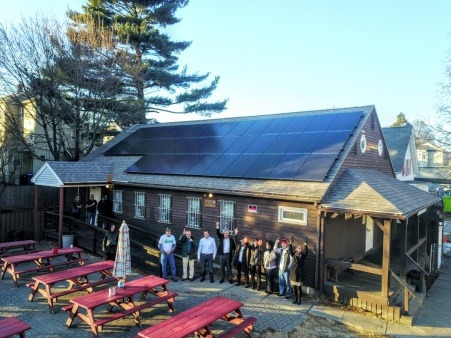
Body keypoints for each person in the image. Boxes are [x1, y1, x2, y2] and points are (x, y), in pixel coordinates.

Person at [288, 236, 308, 305]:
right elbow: (290, 250)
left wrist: (305, 244)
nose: (299, 248)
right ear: (296, 249)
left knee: (299, 288)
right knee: (294, 288)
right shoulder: (293, 255)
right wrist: (290, 243)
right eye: (298, 248)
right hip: (293, 274)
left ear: (301, 250)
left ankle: (299, 300)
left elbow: (306, 252)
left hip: (299, 274)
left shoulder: (303, 256)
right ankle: (295, 299)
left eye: (300, 248)